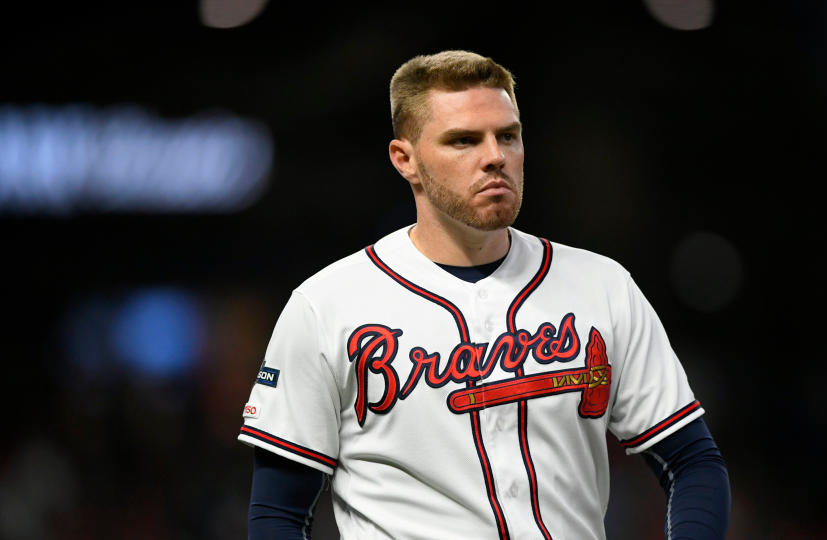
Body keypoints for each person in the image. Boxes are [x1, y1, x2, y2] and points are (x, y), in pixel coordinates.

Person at [239, 50, 731, 539]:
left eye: (508, 136)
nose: (495, 156)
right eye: (464, 140)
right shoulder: (327, 305)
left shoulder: (602, 286)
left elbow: (692, 462)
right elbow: (279, 514)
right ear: (404, 159)